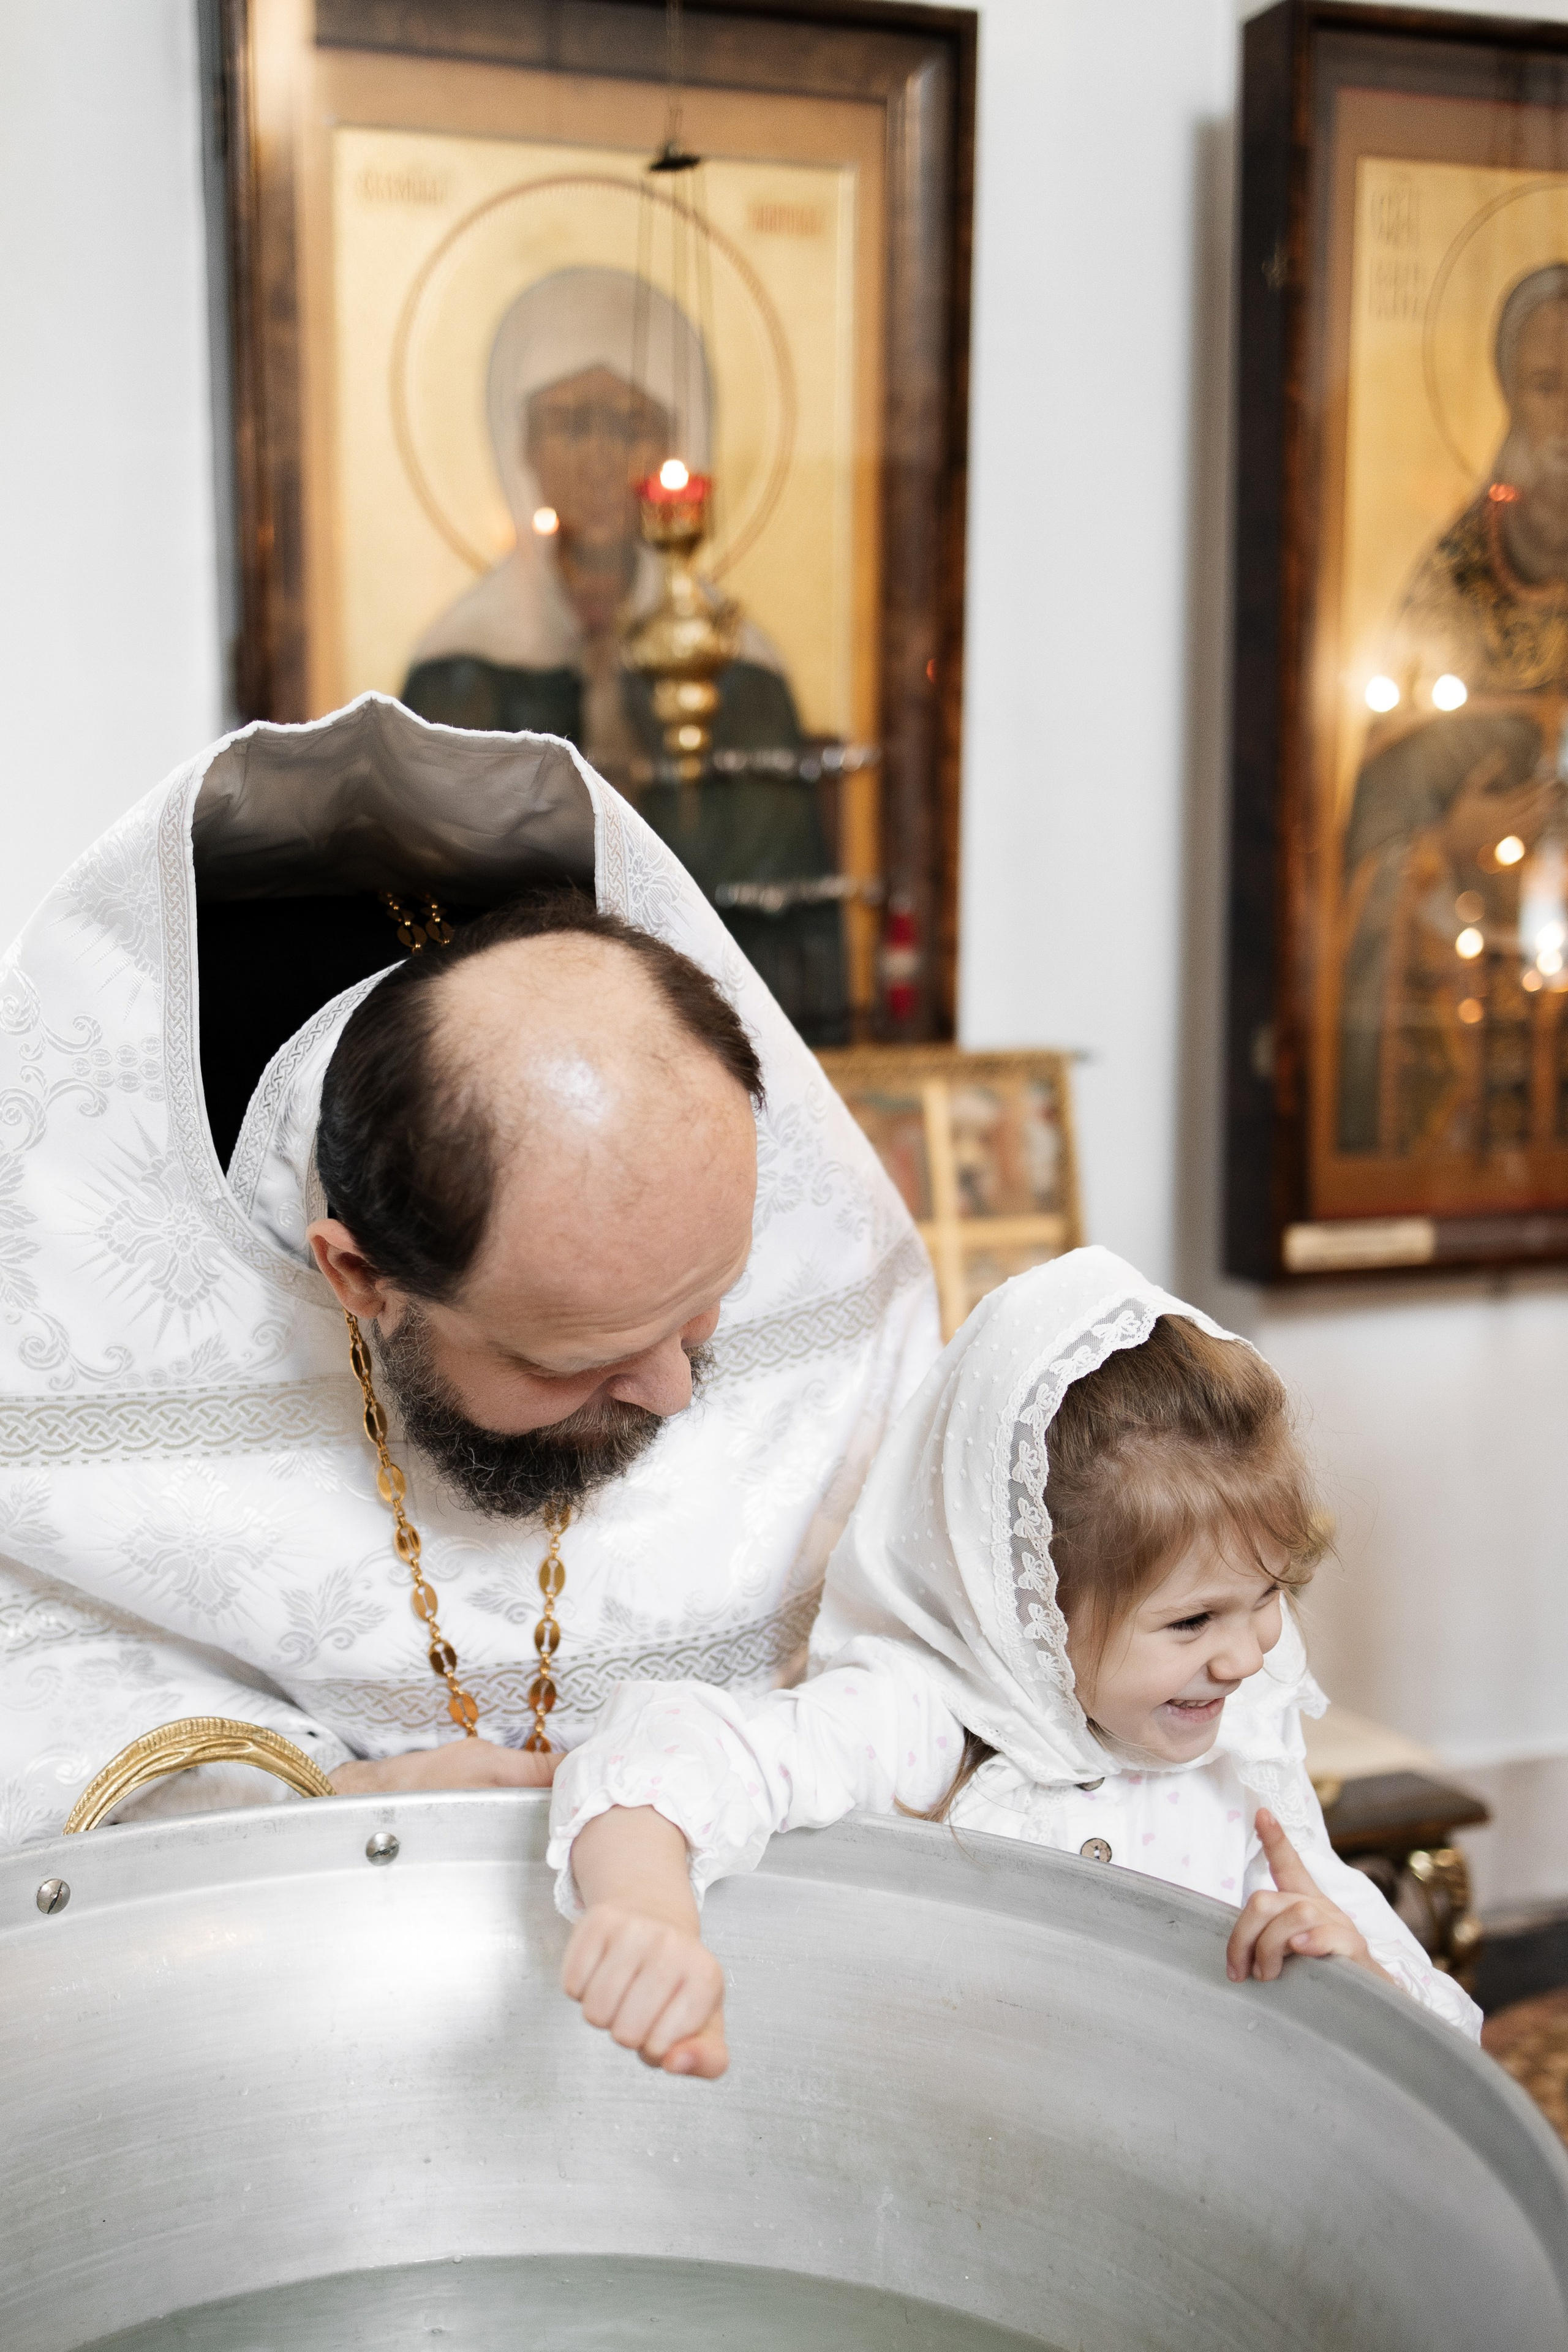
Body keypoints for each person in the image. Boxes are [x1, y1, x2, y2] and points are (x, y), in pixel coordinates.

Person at [0, 694, 935, 1847]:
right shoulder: (79, 1248)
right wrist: (312, 1803)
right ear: (360, 1279)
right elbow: (36, 1658)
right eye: (576, 1358)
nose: (678, 1393)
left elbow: (946, 1633)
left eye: (704, 1309)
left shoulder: (775, 1189)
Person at [544, 1248, 1483, 2076]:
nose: (1244, 1659)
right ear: (1028, 1609)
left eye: (1269, 1595)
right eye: (1193, 1622)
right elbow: (671, 1755)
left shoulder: (1243, 1784)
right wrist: (646, 1911)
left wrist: (1355, 1979)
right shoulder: (923, 1724)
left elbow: (1439, 2063)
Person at [400, 267, 847, 1042]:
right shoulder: (459, 669)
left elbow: (781, 925)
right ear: (521, 443)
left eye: (630, 424)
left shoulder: (742, 676)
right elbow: (426, 930)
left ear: (679, 442)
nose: (602, 459)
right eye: (571, 423)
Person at [1338, 262, 1568, 1154]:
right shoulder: (1448, 587)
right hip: (1457, 1000)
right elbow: (1370, 830)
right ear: (1510, 396)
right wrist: (1443, 847)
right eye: (1547, 386)